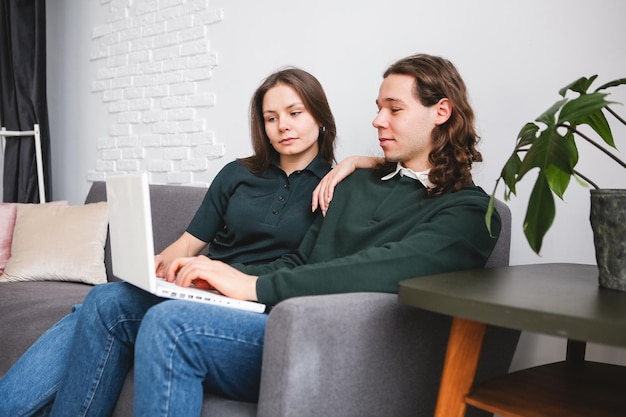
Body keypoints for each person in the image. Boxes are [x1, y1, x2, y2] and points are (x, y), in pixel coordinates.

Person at [6, 53, 502, 417]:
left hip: (320, 336)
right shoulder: (352, 185)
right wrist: (217, 277)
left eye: (393, 109)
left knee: (171, 325)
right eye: (378, 107)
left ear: (441, 113)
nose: (376, 119)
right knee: (111, 301)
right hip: (266, 315)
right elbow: (298, 262)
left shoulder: (471, 211)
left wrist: (250, 286)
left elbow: (392, 266)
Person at [0, 67, 370, 416]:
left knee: (100, 313)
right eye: (271, 118)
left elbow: (411, 163)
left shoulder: (337, 186)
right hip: (202, 290)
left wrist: (360, 160)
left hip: (255, 305)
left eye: (294, 113)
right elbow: (189, 244)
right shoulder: (237, 174)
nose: (282, 126)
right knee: (104, 299)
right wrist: (153, 268)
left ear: (320, 118)